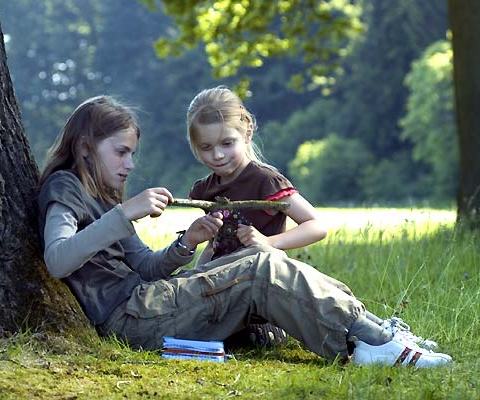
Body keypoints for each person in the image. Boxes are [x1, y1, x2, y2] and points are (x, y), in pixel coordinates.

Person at [37, 95, 452, 368]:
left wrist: (187, 242)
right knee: (260, 268)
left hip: (144, 300)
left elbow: (145, 266)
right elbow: (57, 260)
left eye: (132, 153)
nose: (129, 164)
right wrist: (125, 214)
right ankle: (373, 344)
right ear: (87, 148)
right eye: (121, 152)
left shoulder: (106, 198)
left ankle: (378, 337)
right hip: (129, 317)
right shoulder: (65, 188)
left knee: (262, 258)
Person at [184, 86, 439, 351]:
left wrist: (269, 242)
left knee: (320, 298)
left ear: (246, 132)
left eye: (227, 143)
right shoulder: (205, 190)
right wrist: (193, 275)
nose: (218, 155)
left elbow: (316, 226)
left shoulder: (265, 181)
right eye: (206, 147)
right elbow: (216, 245)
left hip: (262, 284)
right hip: (223, 287)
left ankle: (384, 337)